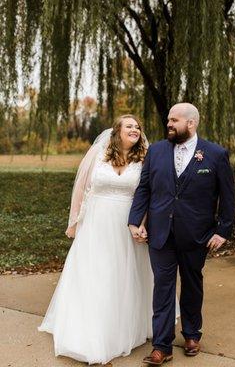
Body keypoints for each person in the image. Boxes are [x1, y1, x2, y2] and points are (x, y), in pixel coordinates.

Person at [38, 115, 155, 365]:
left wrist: (142, 224)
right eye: (129, 126)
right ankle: (88, 331)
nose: (135, 129)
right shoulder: (99, 155)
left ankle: (121, 327)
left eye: (138, 127)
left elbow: (146, 195)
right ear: (117, 132)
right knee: (95, 274)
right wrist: (75, 222)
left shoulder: (144, 159)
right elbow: (81, 188)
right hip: (96, 224)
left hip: (127, 226)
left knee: (123, 275)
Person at [128, 103, 235, 366]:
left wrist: (223, 231)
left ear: (191, 123)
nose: (169, 124)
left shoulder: (215, 154)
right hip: (160, 233)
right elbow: (144, 188)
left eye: (174, 120)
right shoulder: (156, 151)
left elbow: (228, 197)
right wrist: (134, 221)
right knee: (162, 288)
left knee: (191, 284)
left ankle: (191, 334)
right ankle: (162, 346)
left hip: (197, 234)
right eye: (168, 120)